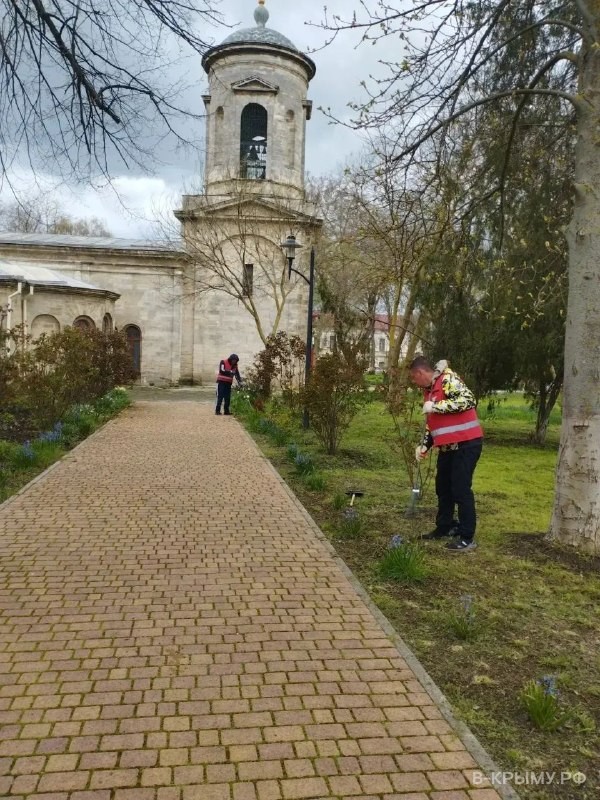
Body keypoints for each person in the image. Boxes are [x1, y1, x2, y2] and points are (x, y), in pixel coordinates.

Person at [409, 356, 483, 553]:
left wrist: (437, 406)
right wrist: (424, 446)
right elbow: (432, 423)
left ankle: (467, 536)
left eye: (413, 378)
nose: (414, 383)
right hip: (447, 447)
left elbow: (469, 400)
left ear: (420, 373)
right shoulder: (429, 391)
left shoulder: (448, 380)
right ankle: (445, 526)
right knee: (443, 488)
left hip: (466, 443)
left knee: (460, 489)